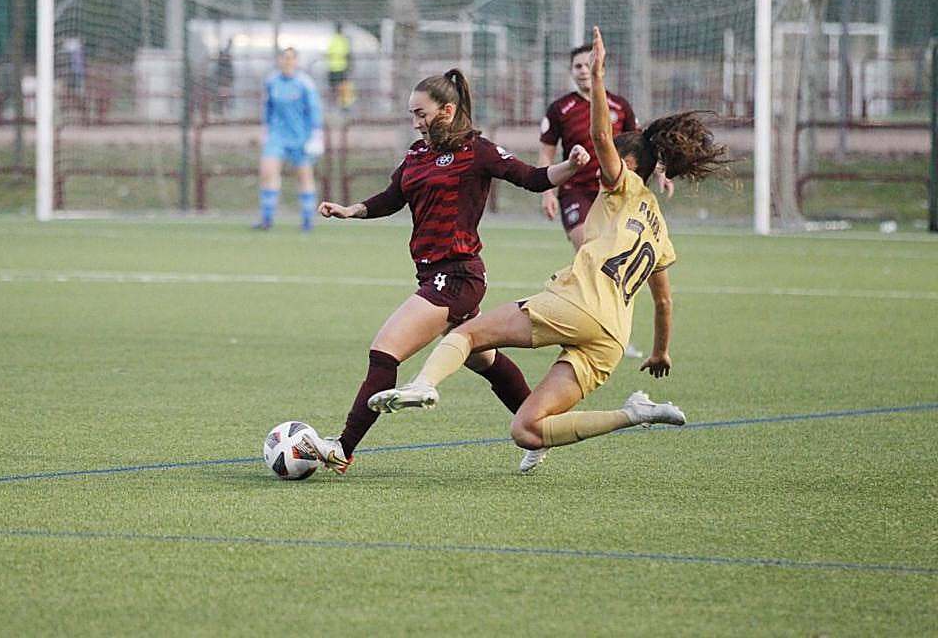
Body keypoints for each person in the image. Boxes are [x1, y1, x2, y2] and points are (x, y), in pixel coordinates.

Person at [368, 27, 729, 474]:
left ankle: (423, 385)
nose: (603, 166)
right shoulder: (659, 227)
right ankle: (634, 413)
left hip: (578, 303)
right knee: (528, 429)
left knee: (466, 334)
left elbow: (601, 136)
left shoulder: (622, 184)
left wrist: (597, 79)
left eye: (611, 159)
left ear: (628, 164)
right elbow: (664, 300)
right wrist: (660, 352)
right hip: (611, 340)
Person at [299, 67, 591, 475]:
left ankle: (342, 449)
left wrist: (571, 167)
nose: (416, 122)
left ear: (448, 110)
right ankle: (538, 429)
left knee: (385, 351)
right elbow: (391, 198)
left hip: (456, 276)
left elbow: (533, 178)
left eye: (421, 113)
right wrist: (353, 210)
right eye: (411, 115)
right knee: (482, 358)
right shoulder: (416, 155)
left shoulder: (478, 151)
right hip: (434, 274)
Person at [538, 42, 674, 360]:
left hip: (617, 197)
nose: (583, 71)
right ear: (572, 72)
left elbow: (642, 148)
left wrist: (661, 173)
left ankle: (606, 327)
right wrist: (547, 190)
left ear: (599, 68)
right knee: (589, 250)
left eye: (588, 65)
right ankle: (580, 320)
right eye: (577, 67)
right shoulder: (561, 109)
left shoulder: (620, 106)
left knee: (614, 261)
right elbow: (546, 150)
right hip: (577, 191)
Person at [255, 47, 324, 231]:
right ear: (279, 60)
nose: (287, 62)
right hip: (277, 136)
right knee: (268, 173)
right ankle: (267, 219)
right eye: (284, 58)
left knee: (304, 177)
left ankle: (307, 221)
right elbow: (268, 107)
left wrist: (316, 135)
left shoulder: (304, 83)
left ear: (296, 61)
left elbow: (314, 109)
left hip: (300, 138)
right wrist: (266, 129)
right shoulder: (272, 81)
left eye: (290, 58)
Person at [325, 22, 354, 112]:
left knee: (333, 88)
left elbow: (328, 53)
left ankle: (332, 106)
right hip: (341, 68)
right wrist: (350, 66)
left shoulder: (332, 39)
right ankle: (344, 106)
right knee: (343, 87)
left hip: (332, 68)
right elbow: (348, 54)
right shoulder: (343, 40)